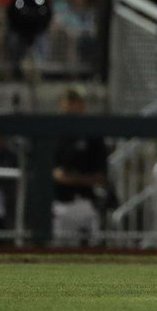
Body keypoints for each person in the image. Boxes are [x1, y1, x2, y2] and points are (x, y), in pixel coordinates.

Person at [52, 85, 108, 246]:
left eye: (75, 101)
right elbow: (51, 173)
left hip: (86, 204)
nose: (71, 106)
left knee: (91, 252)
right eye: (68, 101)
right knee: (58, 254)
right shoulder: (54, 133)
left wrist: (72, 178)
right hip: (59, 204)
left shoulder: (92, 134)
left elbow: (100, 176)